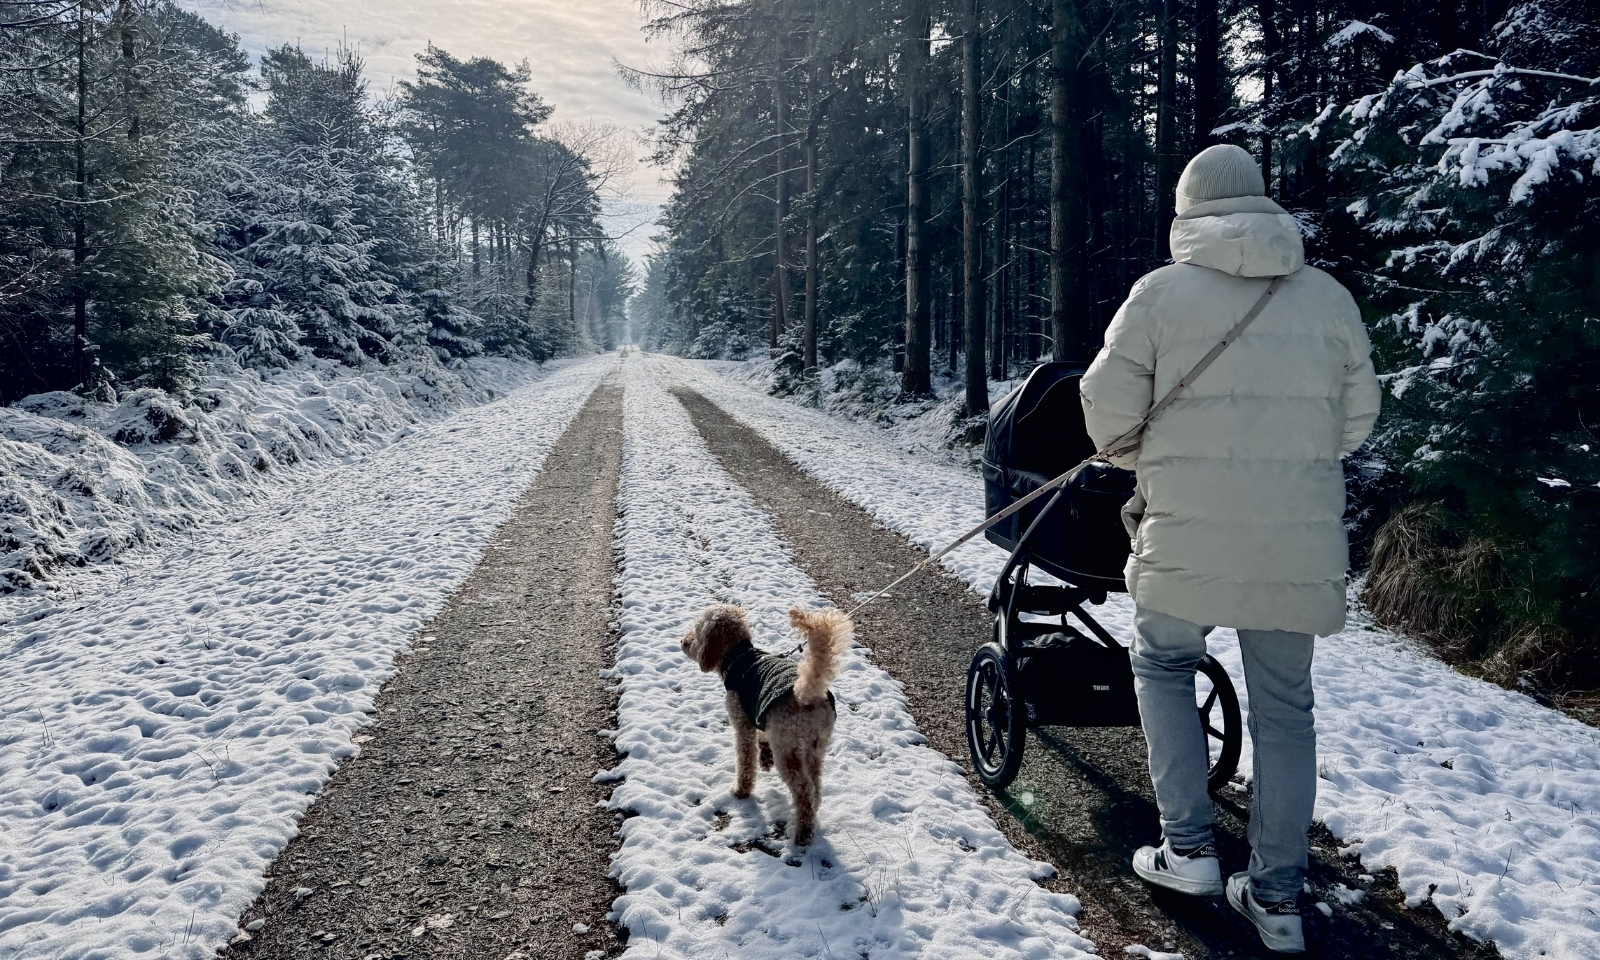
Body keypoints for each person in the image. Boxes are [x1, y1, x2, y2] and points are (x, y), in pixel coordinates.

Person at [1079, 144, 1381, 954]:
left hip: (1186, 530)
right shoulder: (1327, 298)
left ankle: (1190, 853)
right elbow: (1355, 423)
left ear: (1189, 211)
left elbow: (1107, 422)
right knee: (1287, 711)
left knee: (1165, 667)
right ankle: (1277, 898)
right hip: (1296, 538)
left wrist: (1154, 452)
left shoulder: (1158, 295)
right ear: (1261, 204)